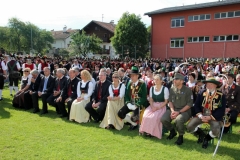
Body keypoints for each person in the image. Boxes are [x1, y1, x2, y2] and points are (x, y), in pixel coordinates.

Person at [187, 77, 226, 149]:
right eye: (207, 84)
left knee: (216, 130)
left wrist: (210, 117)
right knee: (189, 127)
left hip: (213, 117)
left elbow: (221, 110)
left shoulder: (221, 95)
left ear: (215, 85)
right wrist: (200, 115)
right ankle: (201, 134)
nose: (208, 86)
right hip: (201, 115)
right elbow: (196, 105)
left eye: (211, 84)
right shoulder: (201, 92)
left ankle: (207, 138)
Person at [161, 73, 193, 145]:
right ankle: (172, 131)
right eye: (174, 79)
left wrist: (178, 112)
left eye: (176, 79)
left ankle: (180, 136)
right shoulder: (172, 89)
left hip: (185, 111)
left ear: (182, 81)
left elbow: (189, 104)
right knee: (163, 119)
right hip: (174, 109)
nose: (174, 81)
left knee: (178, 120)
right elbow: (170, 102)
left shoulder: (188, 90)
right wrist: (172, 111)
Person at [118, 66, 148, 131]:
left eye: (133, 75)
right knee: (120, 113)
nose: (131, 77)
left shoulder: (142, 84)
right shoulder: (129, 83)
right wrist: (128, 103)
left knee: (133, 118)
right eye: (131, 75)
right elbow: (127, 95)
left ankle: (133, 121)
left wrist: (136, 105)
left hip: (138, 105)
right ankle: (134, 124)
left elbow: (144, 97)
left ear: (137, 76)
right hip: (130, 103)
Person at [140, 74, 169, 139]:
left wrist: (158, 107)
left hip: (161, 106)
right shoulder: (152, 88)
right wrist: (152, 106)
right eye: (154, 79)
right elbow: (151, 99)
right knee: (145, 115)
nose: (155, 81)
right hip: (153, 105)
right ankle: (147, 131)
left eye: (157, 79)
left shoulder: (165, 89)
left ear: (161, 81)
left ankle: (152, 132)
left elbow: (166, 101)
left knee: (154, 117)